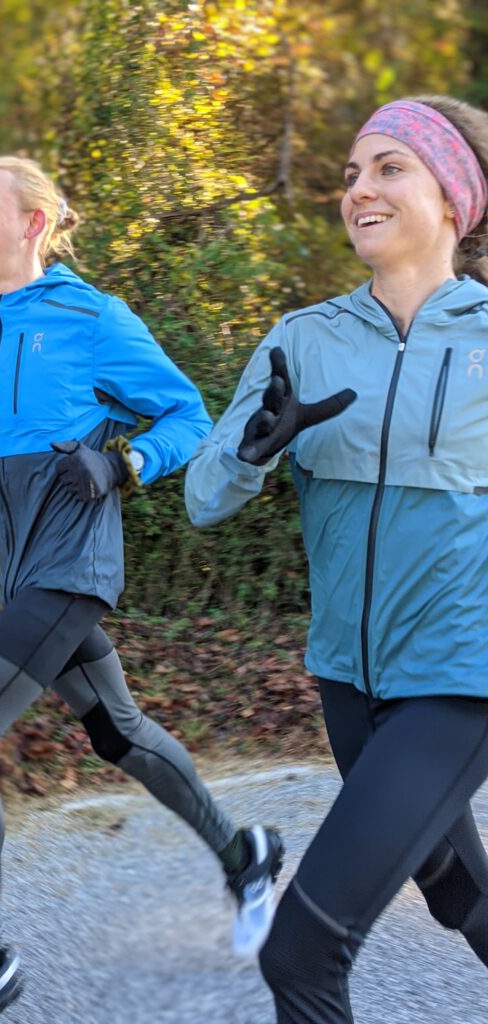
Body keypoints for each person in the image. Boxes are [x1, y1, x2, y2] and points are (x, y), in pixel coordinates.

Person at [0, 156, 283, 1024]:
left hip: (75, 572)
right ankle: (244, 850)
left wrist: (125, 460)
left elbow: (189, 416)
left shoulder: (93, 317)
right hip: (26, 575)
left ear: (34, 220)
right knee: (116, 732)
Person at [185, 94, 488, 1022]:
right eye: (352, 172)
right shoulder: (300, 340)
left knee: (303, 953)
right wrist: (250, 449)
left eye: (389, 167)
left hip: (459, 678)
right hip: (347, 684)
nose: (358, 188)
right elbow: (201, 499)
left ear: (454, 198)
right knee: (457, 893)